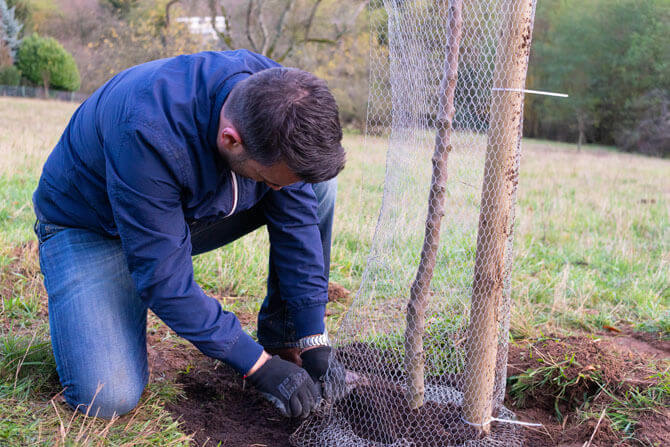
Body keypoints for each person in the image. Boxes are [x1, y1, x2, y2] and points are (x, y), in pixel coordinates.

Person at [33, 49, 346, 420]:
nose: (276, 190)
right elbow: (164, 280)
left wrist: (313, 337)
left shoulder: (279, 98)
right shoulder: (147, 131)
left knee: (314, 190)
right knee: (107, 397)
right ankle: (110, 290)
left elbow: (296, 221)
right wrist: (256, 366)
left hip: (176, 213)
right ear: (232, 140)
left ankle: (286, 341)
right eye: (268, 180)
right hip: (94, 226)